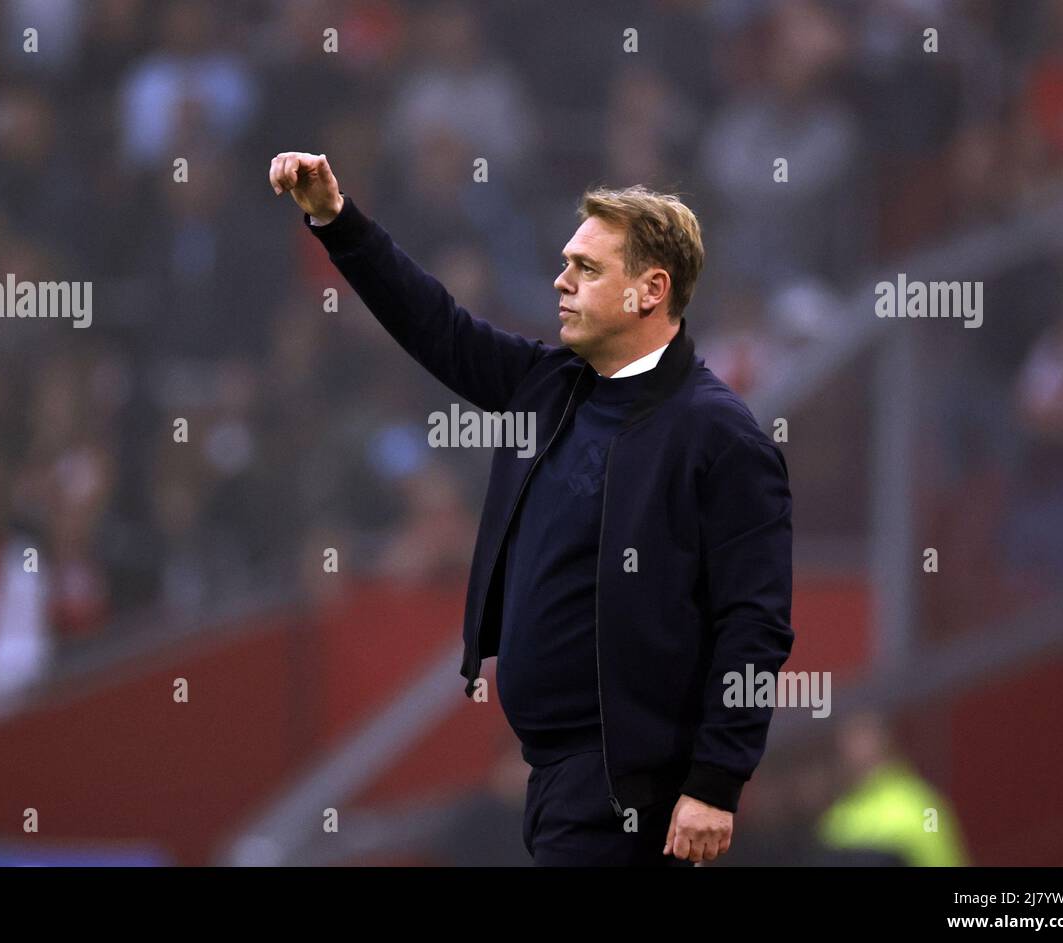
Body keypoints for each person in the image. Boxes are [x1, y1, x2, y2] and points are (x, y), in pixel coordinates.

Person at [270, 152, 795, 866]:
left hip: (636, 787)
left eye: (586, 268)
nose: (561, 280)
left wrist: (716, 781)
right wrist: (336, 220)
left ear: (650, 290)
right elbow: (436, 325)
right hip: (553, 777)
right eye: (565, 262)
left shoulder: (720, 437)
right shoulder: (549, 387)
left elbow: (754, 626)